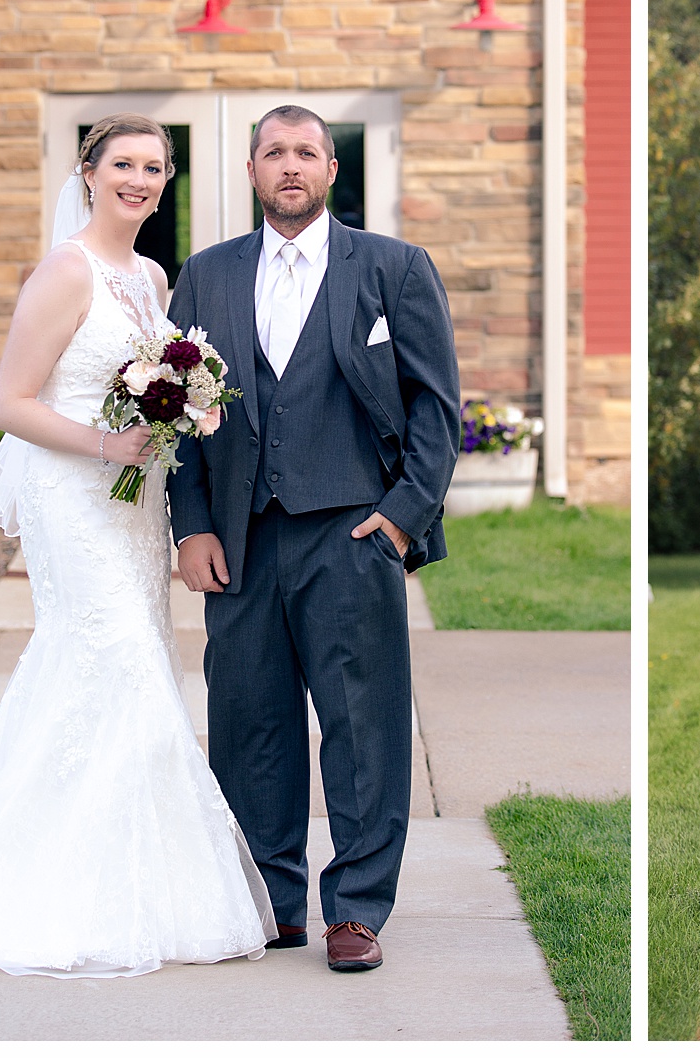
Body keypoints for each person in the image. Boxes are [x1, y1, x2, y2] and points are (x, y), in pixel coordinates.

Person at [0, 114, 275, 977]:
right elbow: (9, 405)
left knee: (131, 661)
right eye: (123, 163)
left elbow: (166, 380)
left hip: (133, 505)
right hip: (78, 499)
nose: (139, 180)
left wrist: (192, 407)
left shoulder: (151, 276)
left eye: (154, 167)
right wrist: (110, 444)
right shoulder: (65, 271)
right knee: (117, 664)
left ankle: (136, 884)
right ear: (88, 171)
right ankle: (49, 896)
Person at [166, 104, 460, 972]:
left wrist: (403, 515)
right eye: (273, 153)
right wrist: (191, 526)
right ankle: (271, 900)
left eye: (305, 152)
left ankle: (357, 909)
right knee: (249, 723)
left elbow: (436, 410)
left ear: (332, 169)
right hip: (242, 539)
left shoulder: (395, 269)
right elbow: (176, 417)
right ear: (252, 172)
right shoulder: (206, 275)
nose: (289, 166)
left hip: (352, 532)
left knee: (363, 726)